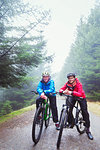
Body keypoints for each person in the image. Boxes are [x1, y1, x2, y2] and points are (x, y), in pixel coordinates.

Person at [59, 73, 93, 140]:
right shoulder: (68, 83)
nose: (70, 79)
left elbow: (80, 93)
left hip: (81, 97)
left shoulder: (78, 84)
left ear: (74, 78)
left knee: (84, 112)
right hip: (73, 97)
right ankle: (71, 122)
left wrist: (71, 92)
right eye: (69, 78)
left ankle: (88, 130)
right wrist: (61, 91)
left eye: (71, 78)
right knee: (68, 109)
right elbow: (62, 88)